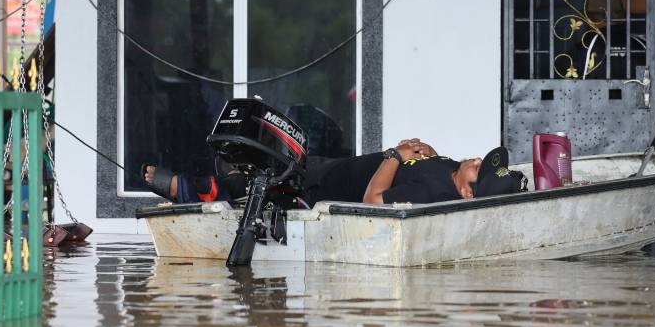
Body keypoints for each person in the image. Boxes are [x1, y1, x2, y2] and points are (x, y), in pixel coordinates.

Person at [142, 139, 524, 206]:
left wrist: (394, 154)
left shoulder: (432, 196)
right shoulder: (451, 173)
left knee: (265, 180)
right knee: (277, 159)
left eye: (477, 170)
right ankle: (219, 181)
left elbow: (372, 201)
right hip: (336, 168)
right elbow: (430, 172)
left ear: (468, 195)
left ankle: (195, 189)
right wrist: (428, 153)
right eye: (479, 160)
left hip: (323, 188)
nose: (474, 161)